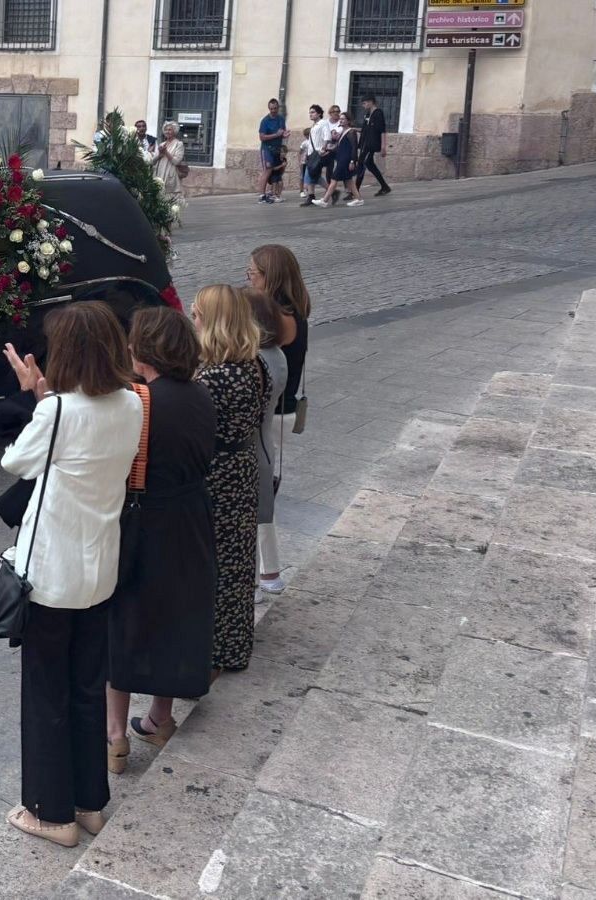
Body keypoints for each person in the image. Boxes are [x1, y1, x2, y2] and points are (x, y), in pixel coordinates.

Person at [0, 301, 142, 849]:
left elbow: (16, 462)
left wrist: (35, 398)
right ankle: (89, 804)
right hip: (99, 568)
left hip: (52, 575)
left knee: (45, 693)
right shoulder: (130, 404)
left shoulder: (58, 413)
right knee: (87, 688)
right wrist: (46, 400)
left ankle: (49, 812)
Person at [104, 307, 221, 775]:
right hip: (191, 516)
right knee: (175, 614)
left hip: (144, 519)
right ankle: (160, 717)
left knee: (126, 619)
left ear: (145, 348)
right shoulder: (201, 395)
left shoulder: (138, 401)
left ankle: (114, 737)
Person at [185, 285, 270, 678]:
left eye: (198, 313)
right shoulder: (254, 365)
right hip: (243, 465)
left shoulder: (213, 377)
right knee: (237, 560)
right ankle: (235, 645)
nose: (191, 316)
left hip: (216, 472)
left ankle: (212, 650)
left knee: (211, 561)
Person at [248, 245, 312, 593]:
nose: (249, 277)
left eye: (254, 273)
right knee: (261, 491)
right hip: (281, 410)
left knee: (259, 493)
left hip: (273, 413)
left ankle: (268, 574)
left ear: (270, 277)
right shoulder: (294, 311)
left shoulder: (277, 317)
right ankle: (268, 572)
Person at [314, 121, 363, 208]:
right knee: (349, 180)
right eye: (340, 118)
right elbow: (339, 147)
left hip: (345, 160)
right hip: (341, 159)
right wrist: (327, 150)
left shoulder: (351, 132)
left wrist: (353, 161)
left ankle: (324, 200)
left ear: (348, 120)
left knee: (334, 179)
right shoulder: (342, 132)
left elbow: (354, 147)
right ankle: (358, 199)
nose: (341, 120)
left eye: (343, 119)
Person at [356, 96, 391, 197]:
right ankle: (384, 186)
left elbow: (382, 130)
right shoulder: (367, 114)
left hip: (371, 145)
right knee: (369, 164)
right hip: (365, 143)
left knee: (361, 164)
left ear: (371, 102)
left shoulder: (378, 113)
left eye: (364, 103)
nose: (363, 106)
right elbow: (365, 129)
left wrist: (383, 146)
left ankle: (355, 190)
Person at [257, 99, 289, 204]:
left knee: (275, 172)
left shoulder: (281, 119)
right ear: (268, 108)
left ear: (278, 108)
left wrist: (284, 134)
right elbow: (262, 137)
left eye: (275, 108)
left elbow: (282, 132)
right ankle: (262, 195)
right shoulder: (265, 121)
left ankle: (272, 193)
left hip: (277, 149)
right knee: (267, 171)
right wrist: (276, 135)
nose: (273, 110)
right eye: (271, 109)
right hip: (267, 149)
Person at [299, 105, 330, 206]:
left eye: (313, 112)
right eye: (310, 112)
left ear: (319, 113)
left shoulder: (323, 123)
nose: (310, 114)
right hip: (311, 154)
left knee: (309, 175)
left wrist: (323, 149)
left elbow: (327, 136)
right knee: (315, 176)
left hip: (317, 154)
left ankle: (311, 196)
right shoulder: (314, 125)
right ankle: (332, 191)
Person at [153, 122, 186, 206]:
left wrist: (166, 152)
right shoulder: (162, 144)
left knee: (171, 204)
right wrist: (160, 154)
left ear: (174, 131)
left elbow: (176, 161)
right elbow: (153, 161)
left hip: (171, 174)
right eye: (166, 130)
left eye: (170, 129)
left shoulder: (179, 144)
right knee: (160, 201)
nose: (167, 131)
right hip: (160, 174)